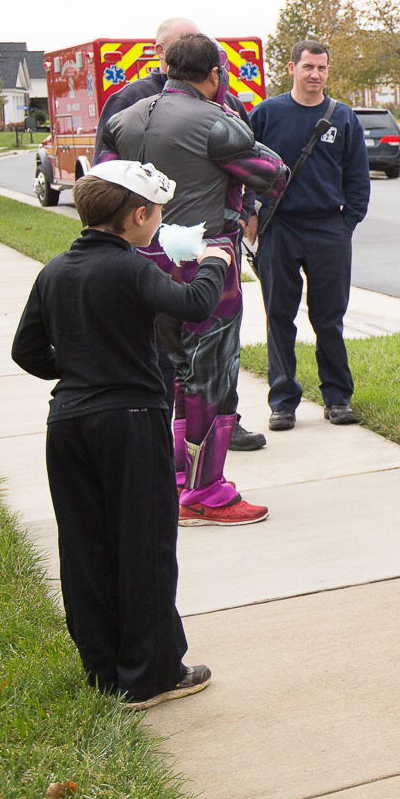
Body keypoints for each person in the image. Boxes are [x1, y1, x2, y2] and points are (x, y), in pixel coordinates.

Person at [11, 162, 235, 708]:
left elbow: (26, 351)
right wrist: (213, 263)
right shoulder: (130, 269)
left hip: (67, 423)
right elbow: (194, 307)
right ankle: (151, 673)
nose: (159, 223)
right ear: (137, 216)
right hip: (129, 420)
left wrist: (80, 368)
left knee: (85, 546)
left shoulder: (55, 270)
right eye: (157, 214)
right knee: (145, 543)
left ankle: (104, 668)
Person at [106, 33, 288, 527]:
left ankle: (176, 482)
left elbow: (103, 184)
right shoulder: (216, 121)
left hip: (141, 259)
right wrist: (227, 118)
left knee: (168, 373)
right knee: (210, 377)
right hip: (207, 263)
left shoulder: (124, 116)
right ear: (214, 75)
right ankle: (206, 490)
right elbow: (274, 173)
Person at [249, 40, 370, 431]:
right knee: (279, 317)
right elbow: (245, 169)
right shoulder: (266, 114)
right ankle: (282, 402)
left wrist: (346, 224)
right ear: (291, 69)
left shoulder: (344, 117)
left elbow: (357, 178)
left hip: (327, 230)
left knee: (329, 318)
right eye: (307, 67)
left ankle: (338, 397)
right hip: (278, 228)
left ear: (327, 72)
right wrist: (251, 214)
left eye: (321, 68)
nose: (315, 74)